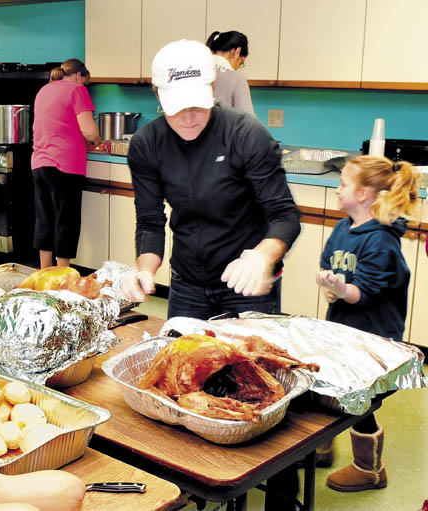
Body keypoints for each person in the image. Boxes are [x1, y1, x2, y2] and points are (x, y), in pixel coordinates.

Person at [121, 40, 301, 510]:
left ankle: (278, 500)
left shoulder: (246, 134)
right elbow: (148, 221)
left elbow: (284, 215)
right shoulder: (146, 145)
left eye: (198, 105)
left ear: (213, 88)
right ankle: (194, 493)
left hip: (248, 282)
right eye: (177, 109)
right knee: (181, 389)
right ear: (158, 96)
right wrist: (145, 270)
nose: (188, 118)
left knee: (264, 391)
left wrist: (262, 256)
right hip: (188, 282)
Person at [315, 155, 420, 492]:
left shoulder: (381, 240)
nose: (336, 190)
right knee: (328, 385)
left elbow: (367, 294)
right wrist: (333, 288)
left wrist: (341, 289)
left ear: (362, 194)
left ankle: (369, 469)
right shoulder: (344, 227)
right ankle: (321, 446)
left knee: (358, 400)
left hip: (374, 336)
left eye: (342, 184)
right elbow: (331, 264)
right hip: (345, 328)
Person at [31, 58, 100, 268]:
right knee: (66, 220)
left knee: (45, 218)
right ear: (79, 75)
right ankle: (62, 274)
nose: (84, 86)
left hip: (40, 163)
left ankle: (45, 270)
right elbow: (89, 131)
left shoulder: (44, 90)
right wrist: (96, 140)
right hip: (65, 165)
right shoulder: (77, 90)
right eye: (84, 82)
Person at [205, 30, 255, 115]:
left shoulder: (194, 70)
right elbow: (248, 120)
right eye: (241, 63)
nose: (237, 68)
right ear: (236, 52)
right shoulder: (236, 78)